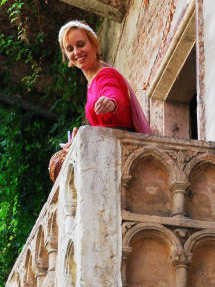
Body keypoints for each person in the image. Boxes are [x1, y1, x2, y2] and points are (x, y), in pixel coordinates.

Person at [49, 20, 151, 181]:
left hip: (121, 155)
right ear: (68, 57)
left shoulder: (105, 74)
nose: (76, 52)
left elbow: (113, 93)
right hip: (110, 155)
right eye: (70, 49)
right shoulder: (91, 84)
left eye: (81, 44)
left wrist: (111, 102)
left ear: (94, 45)